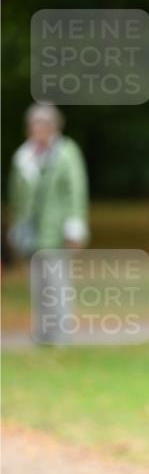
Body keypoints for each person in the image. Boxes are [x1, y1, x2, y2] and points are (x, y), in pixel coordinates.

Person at [7, 103, 90, 343]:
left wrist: (75, 226)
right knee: (37, 284)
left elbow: (76, 191)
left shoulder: (66, 153)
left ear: (53, 126)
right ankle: (42, 332)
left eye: (42, 124)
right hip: (31, 232)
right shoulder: (24, 156)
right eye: (33, 125)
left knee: (57, 283)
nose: (37, 129)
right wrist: (16, 226)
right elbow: (17, 195)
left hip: (57, 230)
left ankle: (60, 333)